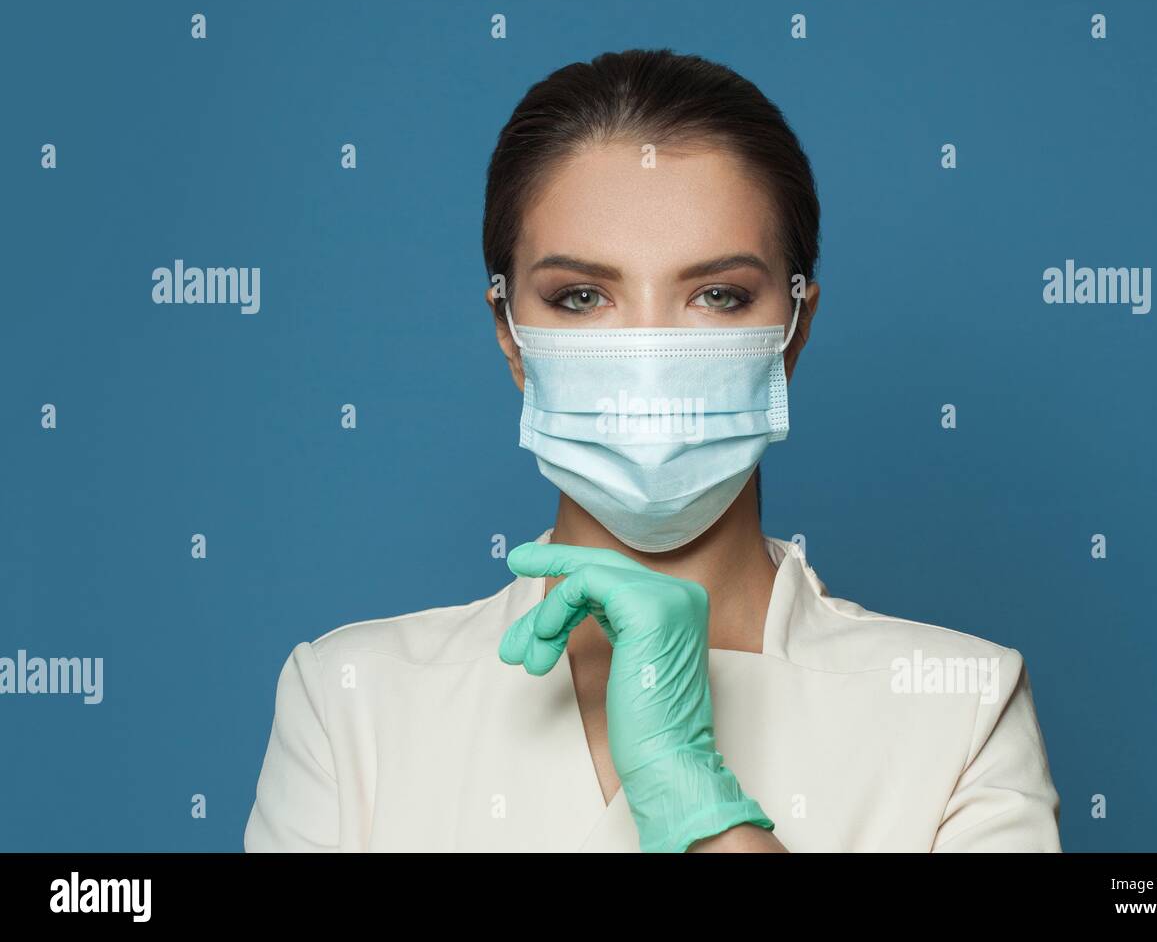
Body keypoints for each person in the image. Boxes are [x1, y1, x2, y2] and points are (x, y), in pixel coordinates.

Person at [244, 48, 1062, 853]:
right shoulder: (351, 702)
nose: (647, 358)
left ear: (793, 330)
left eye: (717, 295)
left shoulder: (958, 710)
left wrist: (685, 786)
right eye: (582, 297)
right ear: (511, 336)